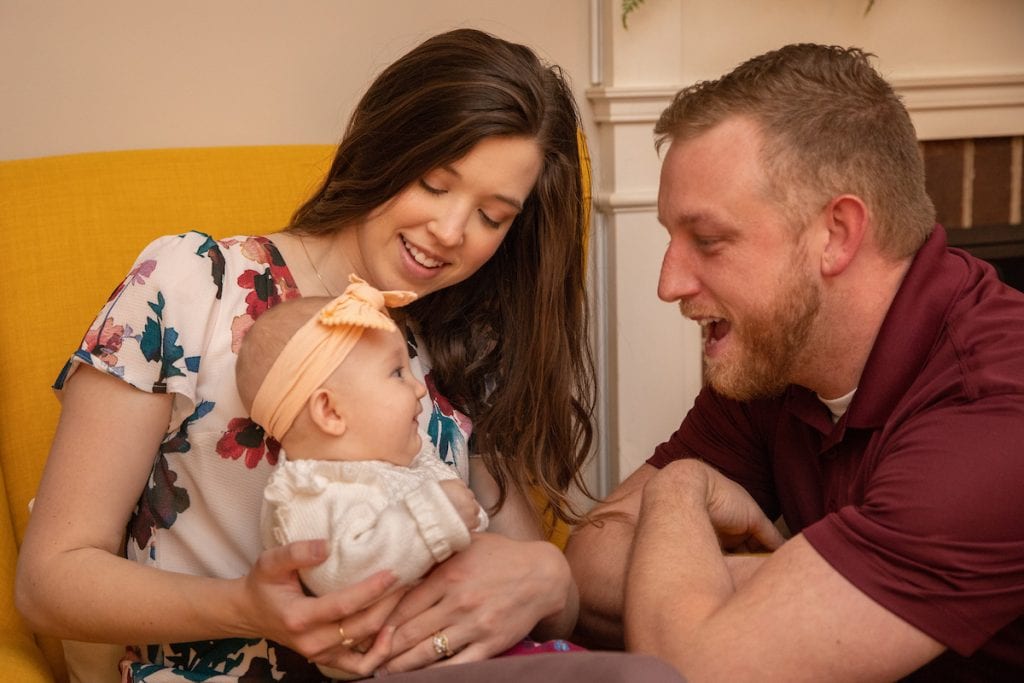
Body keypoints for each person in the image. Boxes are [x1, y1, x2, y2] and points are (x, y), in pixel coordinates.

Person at [16, 28, 684, 683]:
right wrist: (244, 605)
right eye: (434, 182)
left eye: (492, 216)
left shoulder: (456, 341)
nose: (450, 232)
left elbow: (539, 591)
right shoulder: (191, 285)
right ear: (386, 146)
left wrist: (549, 575)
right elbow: (50, 578)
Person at [566, 43, 1024, 681]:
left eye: (709, 240)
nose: (669, 285)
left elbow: (689, 671)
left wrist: (678, 494)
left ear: (836, 234)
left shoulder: (996, 412)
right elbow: (587, 560)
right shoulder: (776, 359)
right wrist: (772, 588)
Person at [238, 277, 488, 679]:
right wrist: (441, 512)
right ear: (331, 412)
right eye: (396, 374)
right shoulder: (309, 496)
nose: (419, 390)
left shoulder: (399, 461)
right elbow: (343, 575)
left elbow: (466, 526)